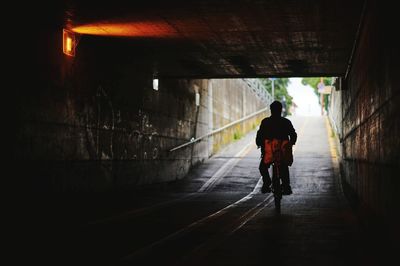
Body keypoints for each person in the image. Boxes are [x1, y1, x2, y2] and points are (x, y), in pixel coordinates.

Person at [256, 100, 297, 195]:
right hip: (282, 152)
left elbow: (260, 135)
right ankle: (286, 186)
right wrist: (291, 143)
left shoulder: (265, 122)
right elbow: (293, 134)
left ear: (271, 110)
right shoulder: (286, 122)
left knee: (262, 167)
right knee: (284, 167)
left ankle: (267, 183)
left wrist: (259, 143)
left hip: (268, 152)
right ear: (280, 110)